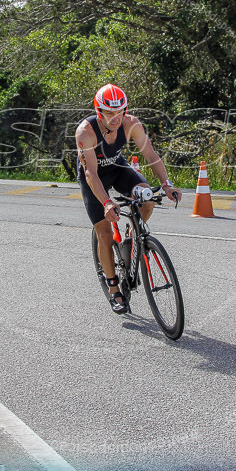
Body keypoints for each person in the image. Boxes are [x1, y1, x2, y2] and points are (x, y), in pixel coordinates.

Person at [75, 84, 181, 314]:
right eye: (109, 113)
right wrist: (107, 203)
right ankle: (114, 288)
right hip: (94, 178)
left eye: (120, 111)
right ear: (99, 110)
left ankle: (133, 238)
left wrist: (166, 183)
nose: (115, 117)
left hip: (117, 168)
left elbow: (151, 155)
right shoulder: (86, 132)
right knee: (104, 233)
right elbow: (91, 174)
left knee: (148, 198)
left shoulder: (131, 123)